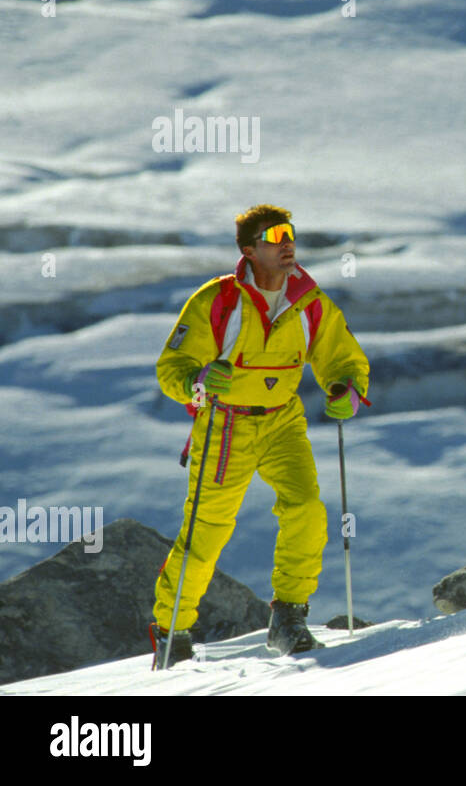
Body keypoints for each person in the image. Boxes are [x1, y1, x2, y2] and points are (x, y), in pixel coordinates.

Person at [150, 205, 370, 666]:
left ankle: (288, 618)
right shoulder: (217, 301)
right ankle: (173, 633)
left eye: (290, 233)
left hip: (282, 420)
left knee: (306, 509)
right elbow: (173, 367)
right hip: (224, 426)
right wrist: (198, 381)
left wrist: (347, 389)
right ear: (249, 250)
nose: (287, 242)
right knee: (205, 533)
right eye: (274, 235)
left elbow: (342, 357)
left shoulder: (310, 301)